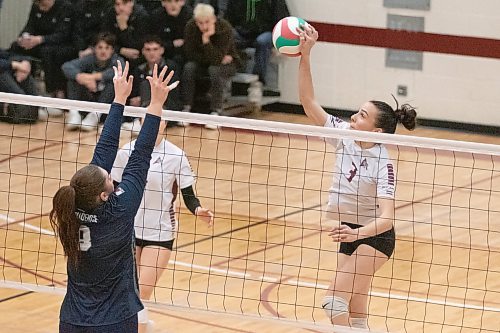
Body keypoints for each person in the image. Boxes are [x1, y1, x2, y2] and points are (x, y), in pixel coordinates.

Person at [297, 25, 417, 329]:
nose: (353, 117)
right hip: (349, 231)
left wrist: (357, 235)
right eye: (357, 111)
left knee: (334, 301)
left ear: (376, 131)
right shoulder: (344, 135)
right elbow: (309, 102)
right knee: (355, 308)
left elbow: (387, 218)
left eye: (362, 115)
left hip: (374, 236)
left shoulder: (383, 163)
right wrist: (306, 55)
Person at [49, 61, 177, 333]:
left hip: (72, 320)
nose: (111, 175)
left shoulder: (72, 209)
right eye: (109, 178)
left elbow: (105, 150)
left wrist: (119, 98)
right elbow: (142, 153)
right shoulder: (119, 211)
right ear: (105, 195)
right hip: (115, 321)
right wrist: (156, 103)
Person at [111, 99, 214, 333]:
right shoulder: (126, 152)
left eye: (158, 118)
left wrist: (198, 210)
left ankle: (141, 327)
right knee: (125, 290)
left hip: (160, 232)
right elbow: (114, 188)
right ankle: (143, 326)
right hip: (128, 229)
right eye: (148, 118)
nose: (154, 123)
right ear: (140, 122)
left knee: (141, 291)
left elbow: (189, 195)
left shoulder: (176, 156)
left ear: (164, 123)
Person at [182, 3, 239, 126]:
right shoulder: (190, 26)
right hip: (203, 63)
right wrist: (213, 57)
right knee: (189, 68)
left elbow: (216, 60)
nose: (203, 26)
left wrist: (206, 40)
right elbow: (190, 54)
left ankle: (216, 111)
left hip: (229, 65)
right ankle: (186, 108)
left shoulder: (224, 27)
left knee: (214, 70)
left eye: (207, 22)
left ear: (213, 18)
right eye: (200, 23)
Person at [10, 0, 77, 98]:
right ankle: (19, 83)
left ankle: (51, 90)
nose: (41, 8)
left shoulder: (66, 7)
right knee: (16, 46)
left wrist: (40, 39)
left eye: (43, 4)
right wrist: (24, 37)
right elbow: (30, 25)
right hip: (38, 42)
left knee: (47, 52)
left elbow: (63, 34)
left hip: (59, 43)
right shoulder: (36, 6)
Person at [62, 32, 124, 131]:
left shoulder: (117, 60)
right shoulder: (89, 59)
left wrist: (92, 77)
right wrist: (81, 77)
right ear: (94, 49)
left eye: (107, 48)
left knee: (114, 83)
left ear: (112, 50)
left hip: (106, 107)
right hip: (89, 100)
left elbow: (118, 71)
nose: (103, 51)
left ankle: (94, 116)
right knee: (73, 80)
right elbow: (66, 66)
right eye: (100, 47)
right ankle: (74, 113)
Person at [225, 0, 289, 85]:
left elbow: (281, 19)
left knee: (262, 41)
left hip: (266, 31)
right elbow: (228, 18)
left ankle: (259, 78)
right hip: (241, 32)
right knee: (227, 35)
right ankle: (230, 75)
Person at [149, 0, 193, 67]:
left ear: (183, 2)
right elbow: (153, 40)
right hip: (164, 53)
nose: (173, 5)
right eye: (169, 1)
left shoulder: (191, 16)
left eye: (176, 1)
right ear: (163, 3)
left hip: (186, 54)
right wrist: (172, 44)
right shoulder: (156, 16)